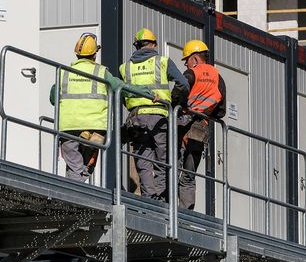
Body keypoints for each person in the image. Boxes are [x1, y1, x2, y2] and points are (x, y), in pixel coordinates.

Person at [120, 27, 190, 200]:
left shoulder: (125, 68)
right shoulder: (162, 61)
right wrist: (174, 102)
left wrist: (131, 105)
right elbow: (183, 84)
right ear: (153, 44)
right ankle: (161, 200)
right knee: (163, 161)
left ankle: (149, 199)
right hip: (159, 117)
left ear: (137, 46)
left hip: (136, 118)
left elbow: (120, 92)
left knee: (143, 161)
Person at [49, 32, 114, 181]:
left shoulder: (64, 73)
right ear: (94, 54)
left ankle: (71, 189)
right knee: (84, 168)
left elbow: (53, 98)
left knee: (74, 166)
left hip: (68, 127)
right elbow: (119, 88)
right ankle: (74, 189)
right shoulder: (101, 72)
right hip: (94, 128)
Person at [172, 39, 227, 210]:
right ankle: (186, 212)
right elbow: (221, 111)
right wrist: (206, 113)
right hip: (201, 128)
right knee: (189, 174)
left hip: (183, 125)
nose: (186, 64)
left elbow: (178, 92)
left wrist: (176, 105)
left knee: (173, 168)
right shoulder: (218, 77)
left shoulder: (191, 73)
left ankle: (169, 209)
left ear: (195, 58)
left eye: (187, 60)